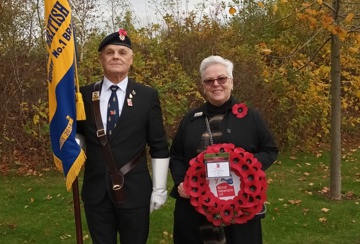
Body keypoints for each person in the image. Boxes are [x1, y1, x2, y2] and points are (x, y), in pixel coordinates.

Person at [169, 55, 278, 244]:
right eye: (209, 80)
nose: (216, 84)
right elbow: (176, 154)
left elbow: (269, 149)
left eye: (221, 78)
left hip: (238, 207)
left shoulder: (251, 117)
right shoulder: (190, 119)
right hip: (195, 208)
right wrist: (180, 181)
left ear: (232, 82)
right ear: (203, 86)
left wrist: (247, 168)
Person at [76, 29, 170, 244]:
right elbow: (79, 135)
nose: (116, 56)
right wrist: (72, 148)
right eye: (109, 52)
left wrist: (159, 187)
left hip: (135, 190)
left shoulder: (147, 96)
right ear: (101, 58)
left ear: (131, 59)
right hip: (96, 190)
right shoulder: (83, 95)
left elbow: (158, 145)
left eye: (122, 52)